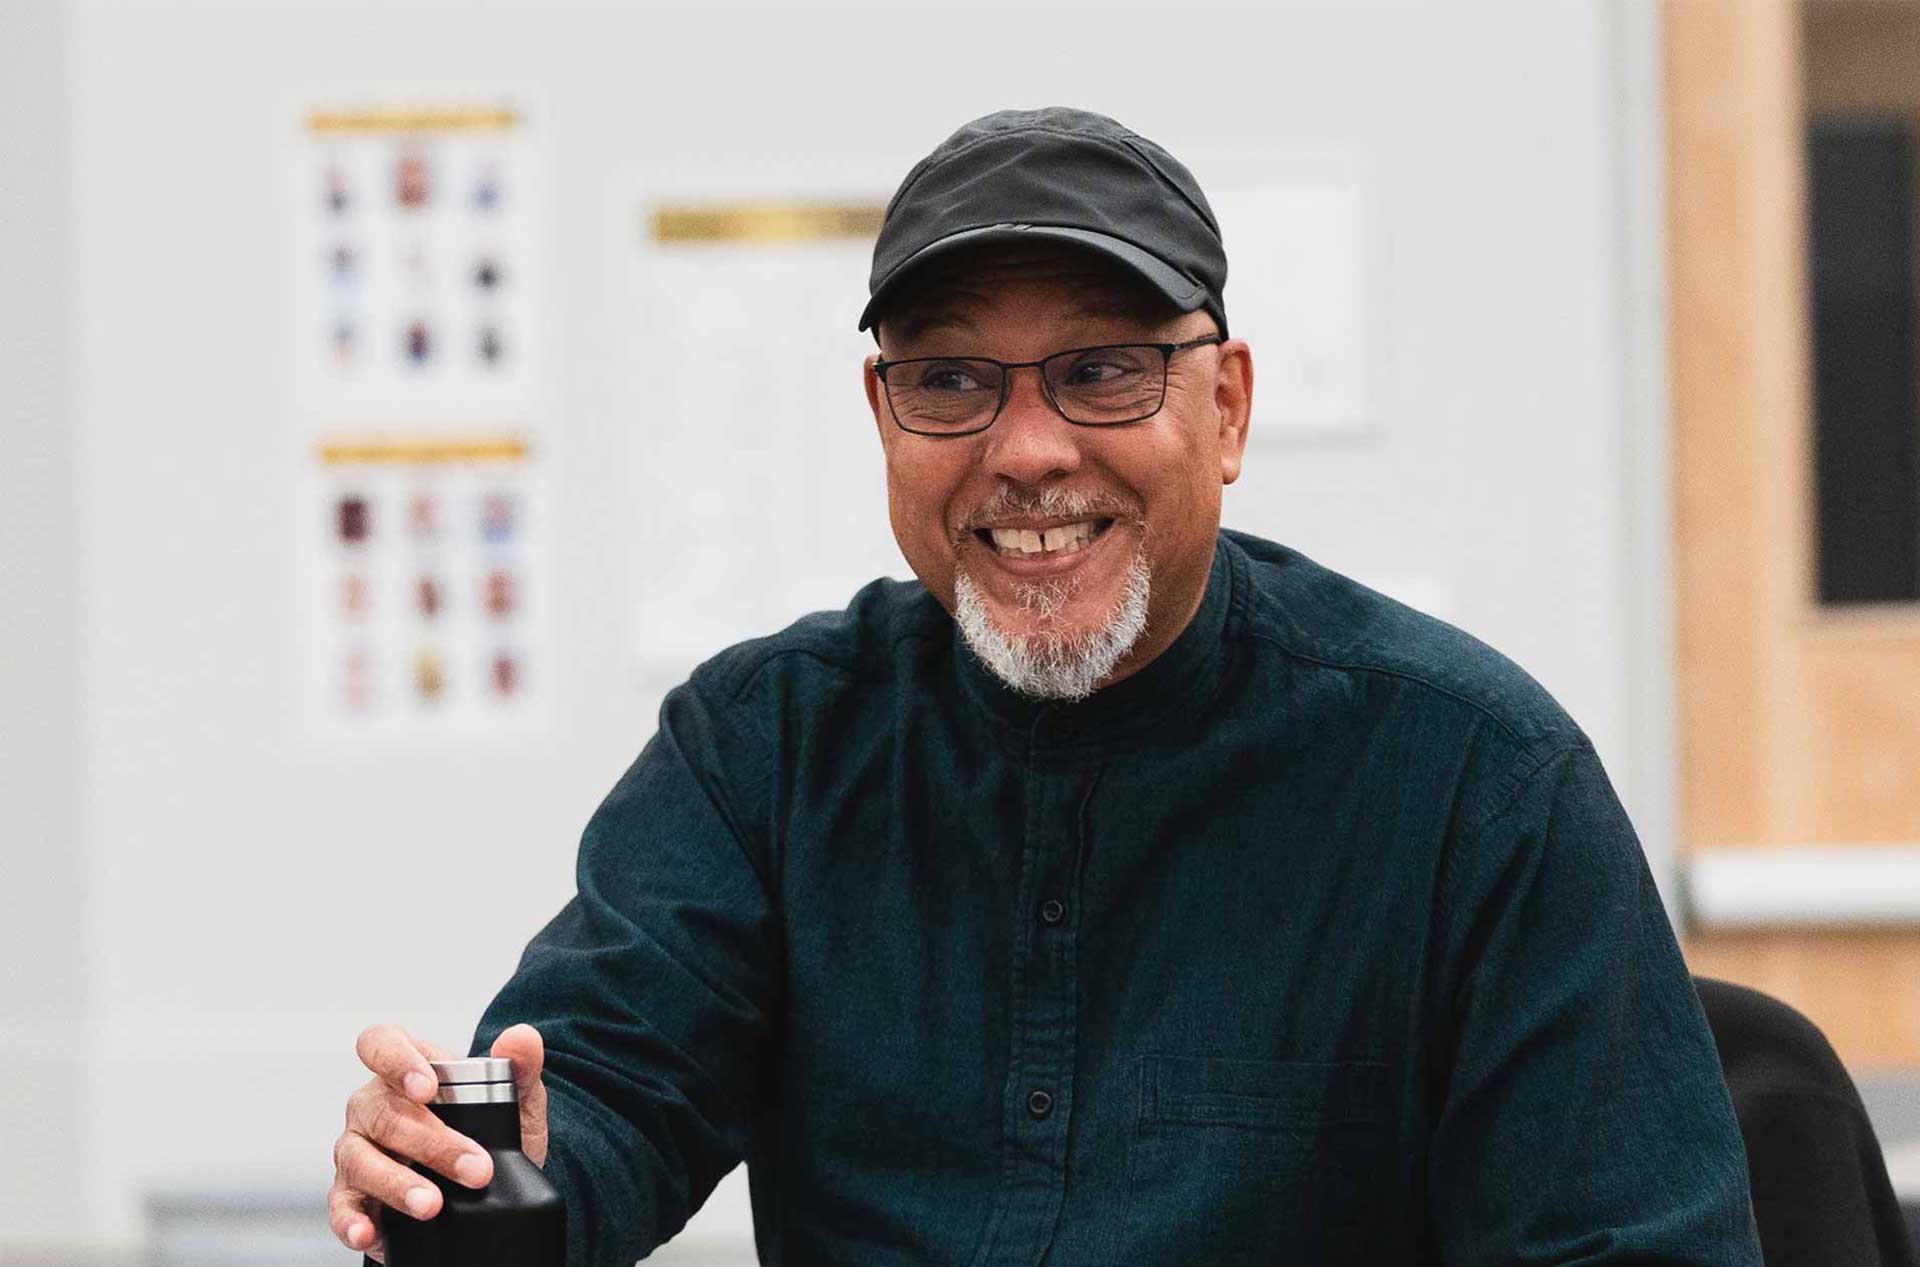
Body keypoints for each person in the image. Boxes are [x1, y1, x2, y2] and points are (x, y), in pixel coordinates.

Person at [329, 107, 1763, 1265]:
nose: (1024, 451)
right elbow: (604, 1087)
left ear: (1230, 408)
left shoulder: (1476, 781)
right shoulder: (766, 751)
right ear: (885, 421)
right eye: (950, 381)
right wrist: (474, 1169)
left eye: (1101, 372)